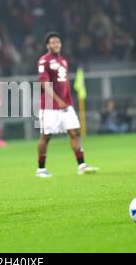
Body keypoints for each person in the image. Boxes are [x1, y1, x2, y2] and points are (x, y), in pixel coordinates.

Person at [37, 32, 99, 177]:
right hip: (50, 106)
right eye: (52, 42)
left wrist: (66, 100)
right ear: (48, 45)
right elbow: (44, 84)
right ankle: (40, 169)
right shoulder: (43, 61)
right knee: (46, 136)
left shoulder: (63, 61)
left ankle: (82, 165)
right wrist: (58, 100)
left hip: (66, 105)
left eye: (57, 42)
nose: (56, 44)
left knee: (74, 132)